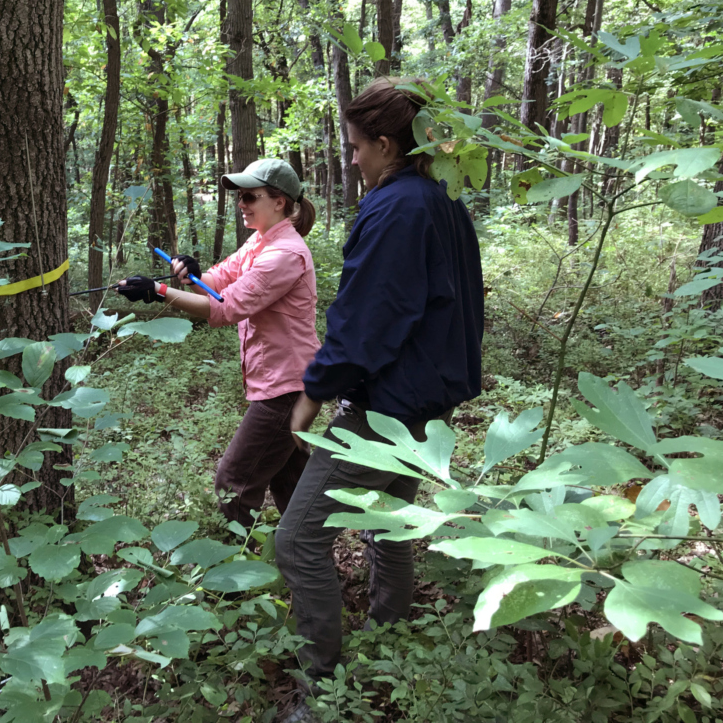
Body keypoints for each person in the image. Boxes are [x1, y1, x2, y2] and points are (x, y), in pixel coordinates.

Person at [275, 79, 484, 723]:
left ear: (388, 145)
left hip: (389, 404)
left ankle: (322, 692)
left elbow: (368, 318)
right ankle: (391, 634)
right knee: (389, 520)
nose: (353, 159)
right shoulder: (442, 201)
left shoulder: (396, 209)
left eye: (357, 147)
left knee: (297, 540)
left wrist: (316, 389)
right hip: (429, 401)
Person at [117, 159, 319, 531]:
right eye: (240, 197)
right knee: (291, 483)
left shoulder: (284, 254)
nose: (241, 203)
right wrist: (193, 273)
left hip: (286, 388)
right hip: (280, 381)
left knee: (234, 482)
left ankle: (234, 562)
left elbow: (224, 308)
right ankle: (307, 554)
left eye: (250, 197)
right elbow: (218, 280)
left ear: (279, 202)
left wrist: (158, 291)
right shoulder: (261, 241)